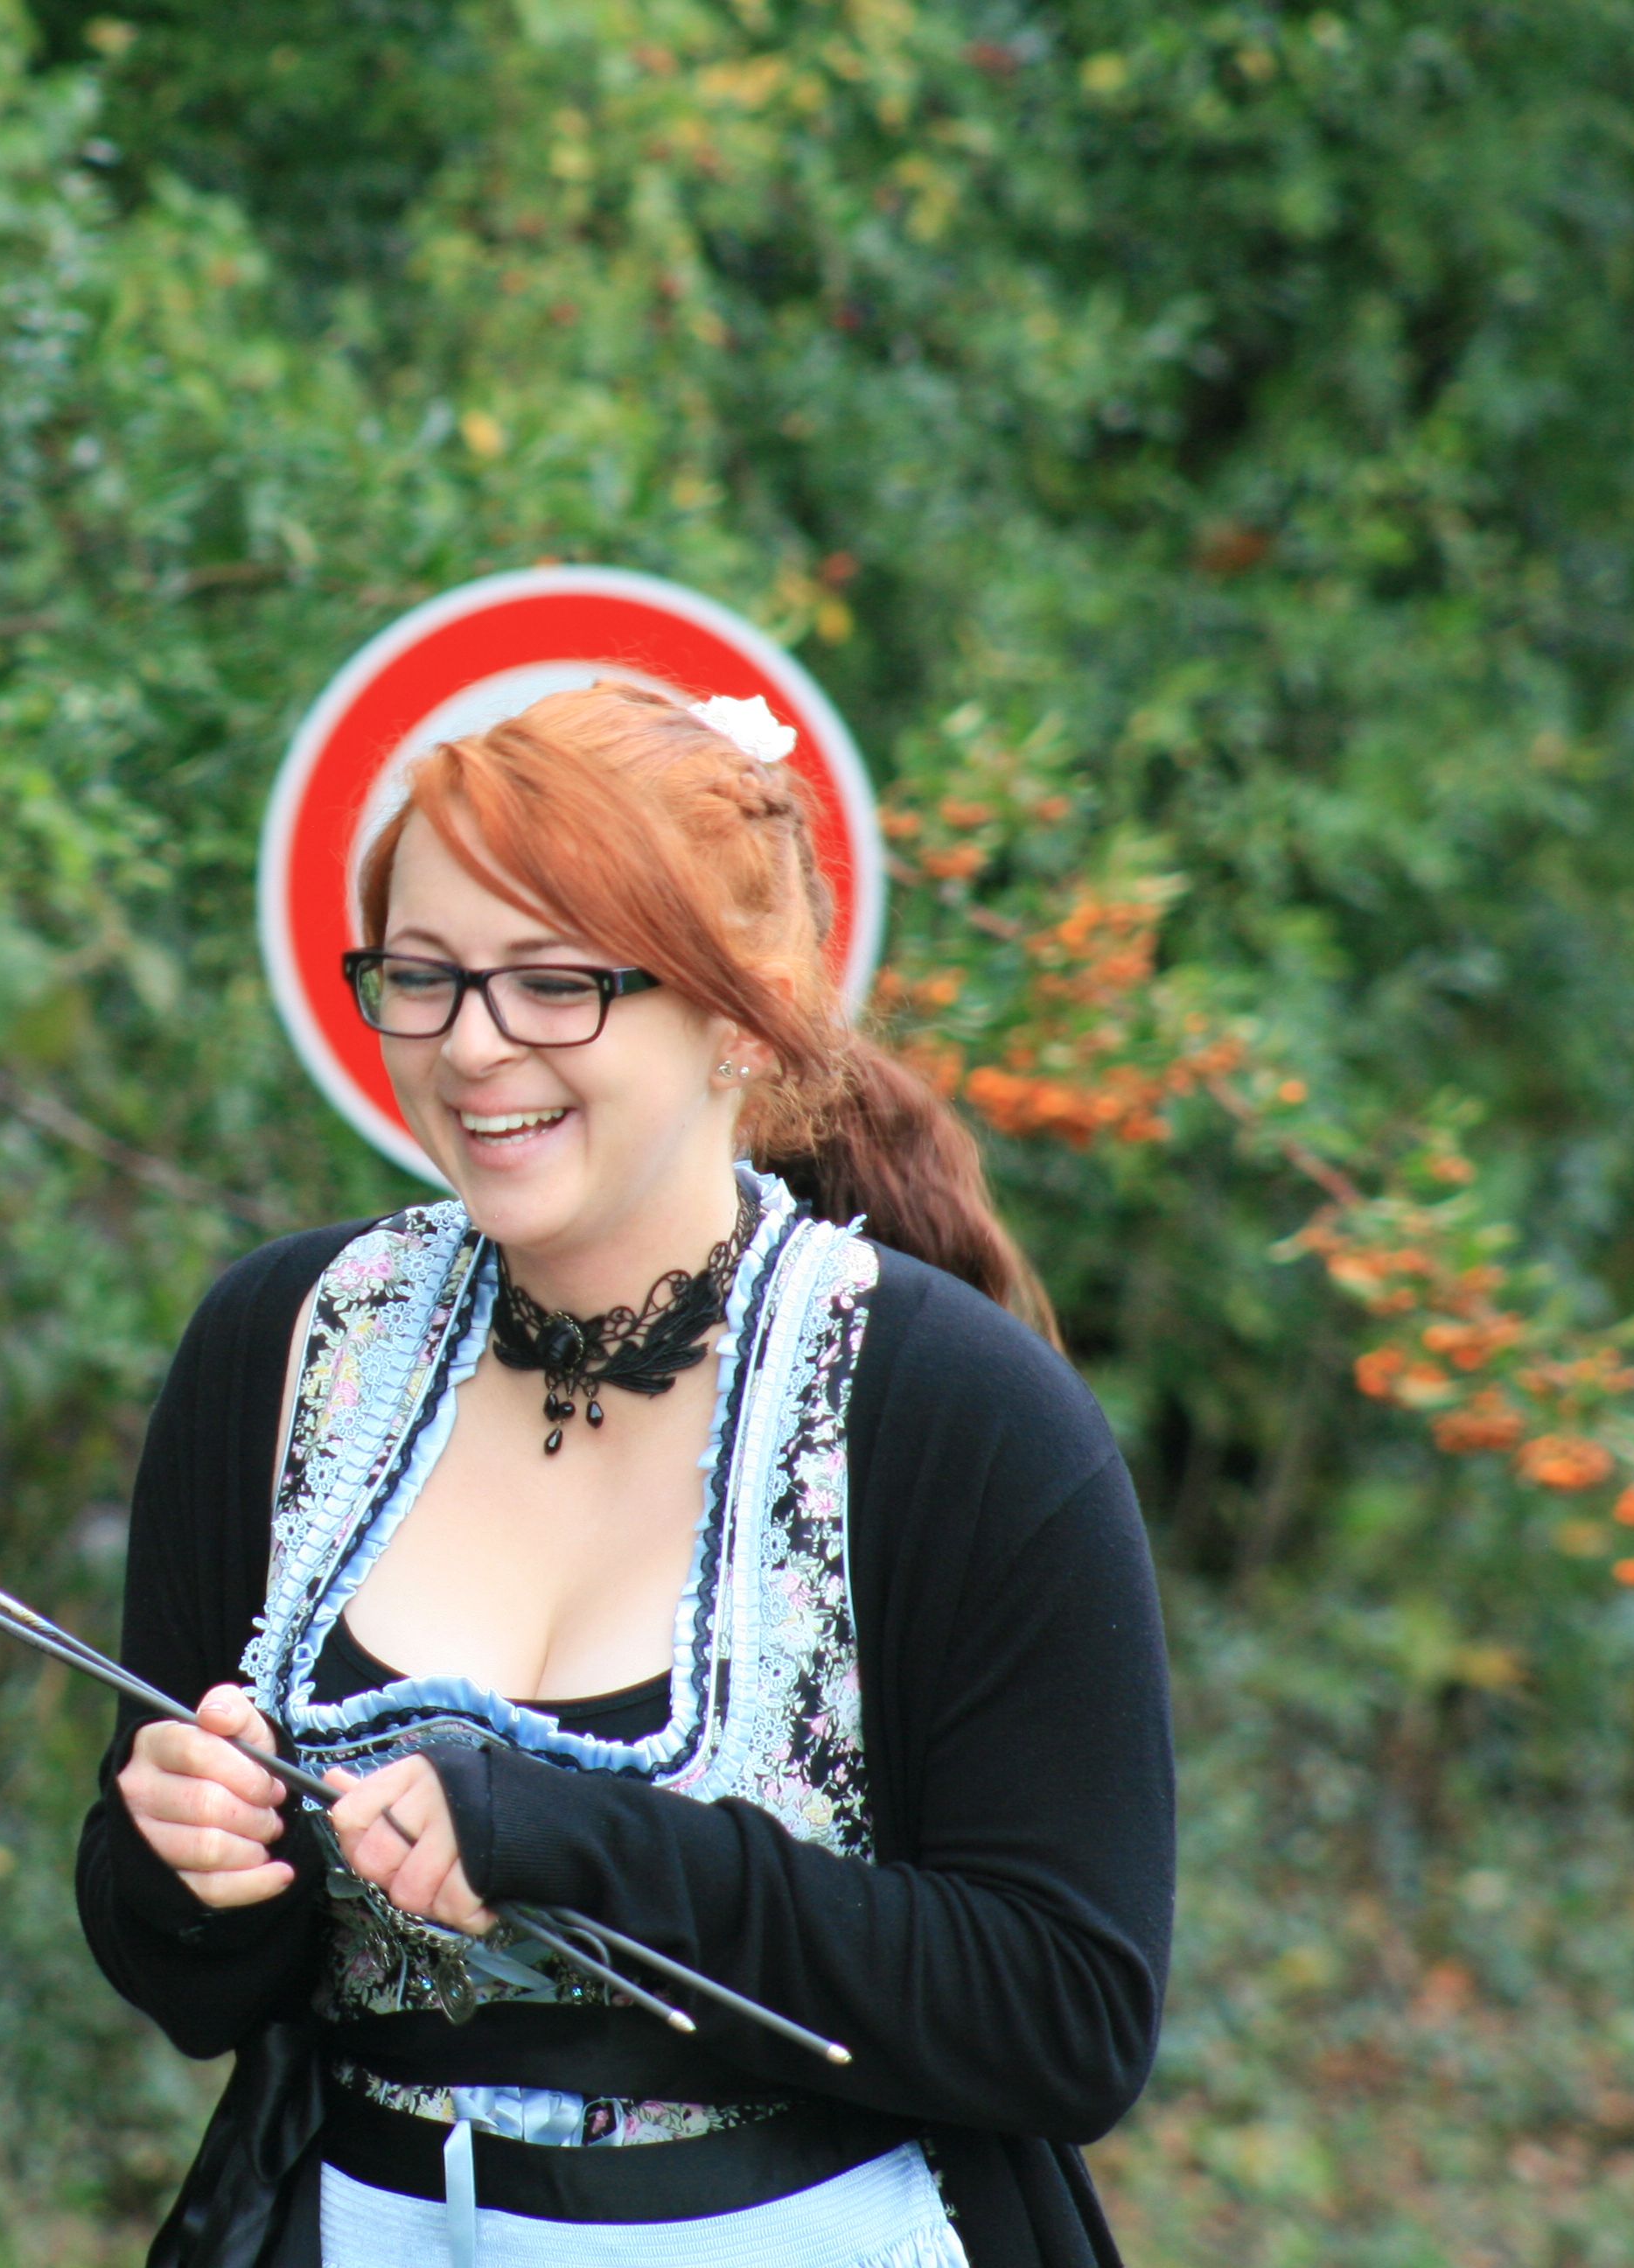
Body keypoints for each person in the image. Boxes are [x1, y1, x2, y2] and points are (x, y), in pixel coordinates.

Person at [73, 683, 1173, 2268]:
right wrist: (188, 1862)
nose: (472, 1045)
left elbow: (1068, 2017)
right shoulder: (284, 1347)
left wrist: (576, 1843)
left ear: (741, 1016)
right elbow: (190, 1987)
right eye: (424, 976)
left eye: (557, 983)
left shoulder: (956, 1416)